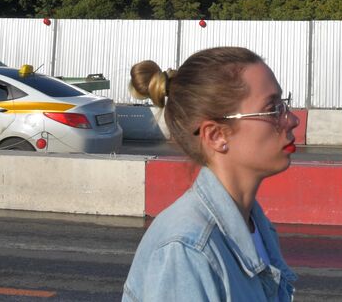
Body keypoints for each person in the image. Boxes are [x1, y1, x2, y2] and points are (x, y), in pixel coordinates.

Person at [121, 46, 299, 302]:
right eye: (272, 110)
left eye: (284, 104)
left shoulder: (256, 226)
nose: (292, 120)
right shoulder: (187, 250)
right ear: (216, 136)